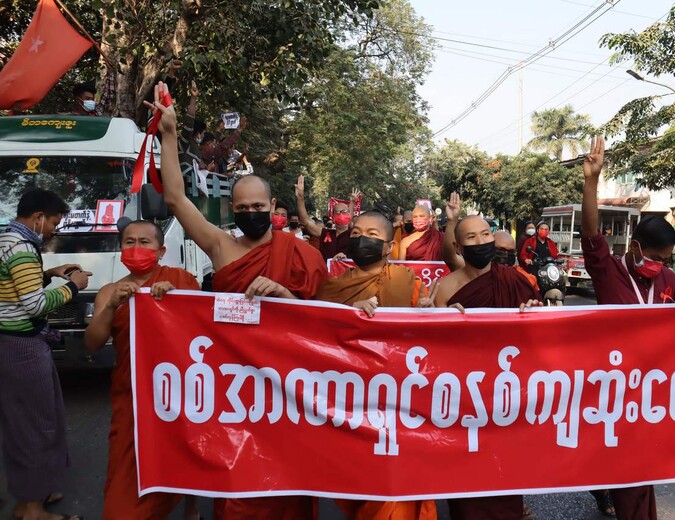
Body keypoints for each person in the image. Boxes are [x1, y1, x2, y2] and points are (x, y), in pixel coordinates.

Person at [148, 81, 327, 519]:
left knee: (289, 479)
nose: (250, 213)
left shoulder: (300, 253)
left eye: (257, 206)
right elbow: (174, 197)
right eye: (242, 207)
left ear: (272, 206)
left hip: (290, 384)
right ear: (234, 208)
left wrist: (286, 295)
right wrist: (168, 134)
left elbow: (327, 325)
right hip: (234, 382)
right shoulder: (220, 246)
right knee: (238, 482)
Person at [580, 136, 675, 520]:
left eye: (665, 259)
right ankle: (605, 487)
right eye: (654, 257)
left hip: (648, 389)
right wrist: (591, 182)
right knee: (609, 453)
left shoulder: (668, 280)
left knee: (636, 465)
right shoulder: (608, 270)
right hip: (609, 384)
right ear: (634, 247)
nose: (659, 265)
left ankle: (617, 493)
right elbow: (590, 235)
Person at [315, 211, 437, 520]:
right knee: (363, 484)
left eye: (371, 234)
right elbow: (314, 337)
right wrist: (345, 313)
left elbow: (429, 344)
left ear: (386, 247)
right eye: (355, 233)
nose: (361, 240)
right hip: (352, 401)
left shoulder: (406, 281)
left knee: (400, 486)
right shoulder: (333, 288)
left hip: (400, 403)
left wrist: (431, 313)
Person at [84, 220, 201, 520]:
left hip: (176, 391)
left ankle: (191, 505)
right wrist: (110, 305)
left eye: (144, 243)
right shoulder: (110, 291)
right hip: (132, 395)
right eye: (129, 242)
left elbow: (203, 334)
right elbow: (94, 343)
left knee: (186, 454)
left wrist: (176, 300)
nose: (136, 249)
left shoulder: (180, 281)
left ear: (161, 250)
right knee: (122, 492)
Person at [433, 213, 541, 520]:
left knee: (504, 478)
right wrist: (436, 318)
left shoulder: (516, 281)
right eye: (471, 237)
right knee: (466, 490)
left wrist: (532, 314)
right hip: (464, 400)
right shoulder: (445, 288)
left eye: (485, 235)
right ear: (458, 245)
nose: (481, 242)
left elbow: (534, 348)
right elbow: (433, 353)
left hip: (506, 397)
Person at [0, 189, 91, 520]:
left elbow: (11, 285)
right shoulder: (23, 248)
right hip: (22, 347)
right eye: (53, 222)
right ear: (38, 218)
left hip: (13, 343)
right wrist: (73, 286)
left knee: (35, 419)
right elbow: (35, 304)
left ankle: (35, 491)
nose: (54, 230)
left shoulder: (7, 239)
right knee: (35, 426)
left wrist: (50, 274)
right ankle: (31, 509)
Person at [295, 176, 355, 260]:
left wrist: (352, 202)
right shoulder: (326, 233)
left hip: (347, 272)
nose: (341, 215)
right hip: (325, 272)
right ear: (333, 218)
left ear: (349, 215)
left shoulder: (354, 235)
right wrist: (300, 198)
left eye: (344, 212)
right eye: (337, 213)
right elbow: (305, 221)